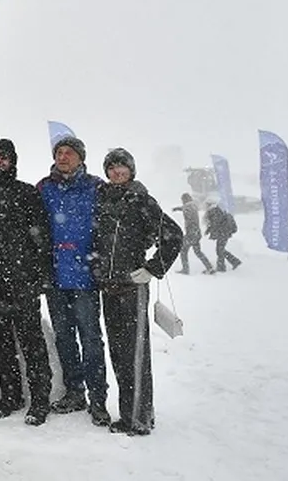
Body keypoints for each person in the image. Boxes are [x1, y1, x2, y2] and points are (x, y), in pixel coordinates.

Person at [91, 148, 182, 436]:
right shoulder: (102, 199)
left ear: (131, 171)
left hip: (133, 288)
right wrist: (96, 267)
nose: (117, 172)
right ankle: (130, 412)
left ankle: (140, 418)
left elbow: (173, 235)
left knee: (135, 355)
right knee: (118, 354)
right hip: (109, 287)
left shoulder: (141, 200)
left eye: (122, 167)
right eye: (112, 168)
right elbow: (96, 240)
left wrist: (153, 268)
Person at [0, 139, 54, 426]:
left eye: (4, 157)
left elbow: (41, 236)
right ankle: (11, 395)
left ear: (12, 162)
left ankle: (40, 400)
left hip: (23, 280)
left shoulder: (27, 193)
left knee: (32, 342)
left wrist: (40, 275)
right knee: (1, 342)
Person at [36, 136, 111, 427]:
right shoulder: (44, 188)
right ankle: (74, 392)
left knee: (91, 339)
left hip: (85, 278)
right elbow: (36, 228)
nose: (63, 157)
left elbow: (109, 228)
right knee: (64, 338)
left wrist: (100, 264)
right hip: (54, 277)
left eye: (69, 153)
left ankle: (98, 398)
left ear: (80, 158)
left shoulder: (95, 188)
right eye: (59, 152)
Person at [172, 193, 213, 274]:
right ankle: (209, 267)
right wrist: (178, 208)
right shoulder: (193, 206)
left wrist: (189, 233)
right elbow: (186, 208)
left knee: (183, 251)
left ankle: (185, 269)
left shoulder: (187, 207)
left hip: (191, 234)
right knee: (198, 252)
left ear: (184, 200)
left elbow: (188, 214)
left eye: (182, 200)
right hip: (197, 233)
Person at [204, 201, 243, 271]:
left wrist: (211, 232)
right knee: (220, 249)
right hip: (224, 232)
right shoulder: (216, 210)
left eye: (206, 206)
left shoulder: (213, 211)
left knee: (219, 250)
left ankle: (222, 266)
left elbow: (216, 223)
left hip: (223, 233)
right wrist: (209, 230)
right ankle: (234, 261)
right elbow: (216, 223)